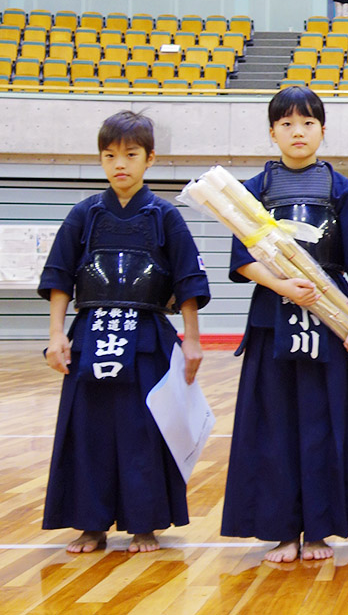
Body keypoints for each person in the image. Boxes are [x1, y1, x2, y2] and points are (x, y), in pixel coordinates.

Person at [220, 86, 348, 563]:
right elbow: (242, 260)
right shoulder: (253, 191)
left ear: (323, 131)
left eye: (308, 123)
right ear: (272, 132)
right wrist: (283, 286)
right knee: (273, 426)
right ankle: (283, 532)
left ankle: (320, 530)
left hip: (332, 320)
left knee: (324, 422)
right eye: (287, 124)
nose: (298, 132)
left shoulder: (343, 190)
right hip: (274, 319)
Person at [39, 111, 210, 554]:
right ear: (100, 159)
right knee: (87, 431)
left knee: (143, 430)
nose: (120, 164)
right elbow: (59, 278)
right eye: (110, 155)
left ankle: (144, 523)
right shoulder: (85, 215)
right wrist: (57, 335)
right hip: (91, 332)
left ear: (149, 159)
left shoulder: (164, 216)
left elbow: (188, 280)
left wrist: (191, 339)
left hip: (148, 334)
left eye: (131, 155)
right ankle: (89, 524)